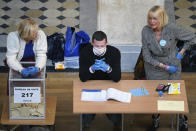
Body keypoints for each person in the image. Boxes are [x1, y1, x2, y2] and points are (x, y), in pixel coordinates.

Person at [142, 5, 196, 131]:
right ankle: (155, 119)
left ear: (162, 18)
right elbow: (146, 55)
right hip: (154, 68)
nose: (151, 22)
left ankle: (182, 120)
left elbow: (193, 37)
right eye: (150, 18)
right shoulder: (145, 31)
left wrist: (182, 52)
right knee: (156, 94)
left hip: (173, 66)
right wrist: (163, 66)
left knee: (175, 94)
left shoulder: (172, 28)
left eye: (155, 19)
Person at [79, 31, 122, 130]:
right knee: (86, 117)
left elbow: (117, 78)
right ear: (92, 44)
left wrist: (108, 69)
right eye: (97, 46)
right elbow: (82, 77)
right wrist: (92, 69)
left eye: (102, 46)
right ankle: (86, 123)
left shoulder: (114, 52)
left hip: (109, 85)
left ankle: (116, 123)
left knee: (116, 117)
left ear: (106, 43)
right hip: (90, 86)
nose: (99, 48)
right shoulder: (85, 52)